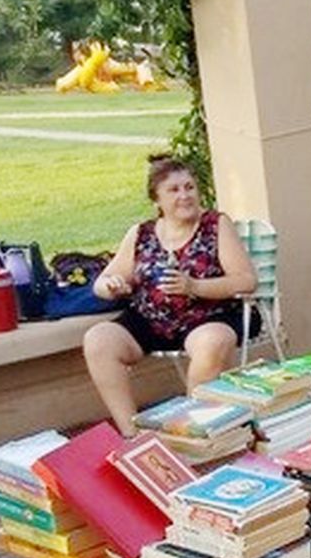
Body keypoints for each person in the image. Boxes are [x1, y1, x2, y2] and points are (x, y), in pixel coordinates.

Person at [84, 154, 258, 436]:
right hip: (150, 320)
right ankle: (133, 434)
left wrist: (194, 286)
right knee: (98, 340)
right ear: (157, 200)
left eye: (189, 187)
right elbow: (101, 282)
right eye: (174, 190)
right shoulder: (141, 233)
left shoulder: (215, 225)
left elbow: (246, 280)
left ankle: (190, 434)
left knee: (213, 342)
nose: (185, 195)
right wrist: (112, 285)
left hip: (207, 316)